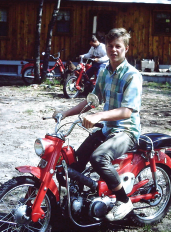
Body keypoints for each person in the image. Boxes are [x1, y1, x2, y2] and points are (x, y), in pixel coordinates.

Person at [53, 28, 142, 221]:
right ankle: (80, 202)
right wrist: (65, 113)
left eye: (118, 46)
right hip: (108, 129)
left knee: (99, 157)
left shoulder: (132, 76)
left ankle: (123, 201)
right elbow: (93, 100)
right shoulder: (104, 70)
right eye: (110, 46)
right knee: (76, 161)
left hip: (126, 131)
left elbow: (127, 111)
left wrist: (98, 116)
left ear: (126, 48)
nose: (113, 50)